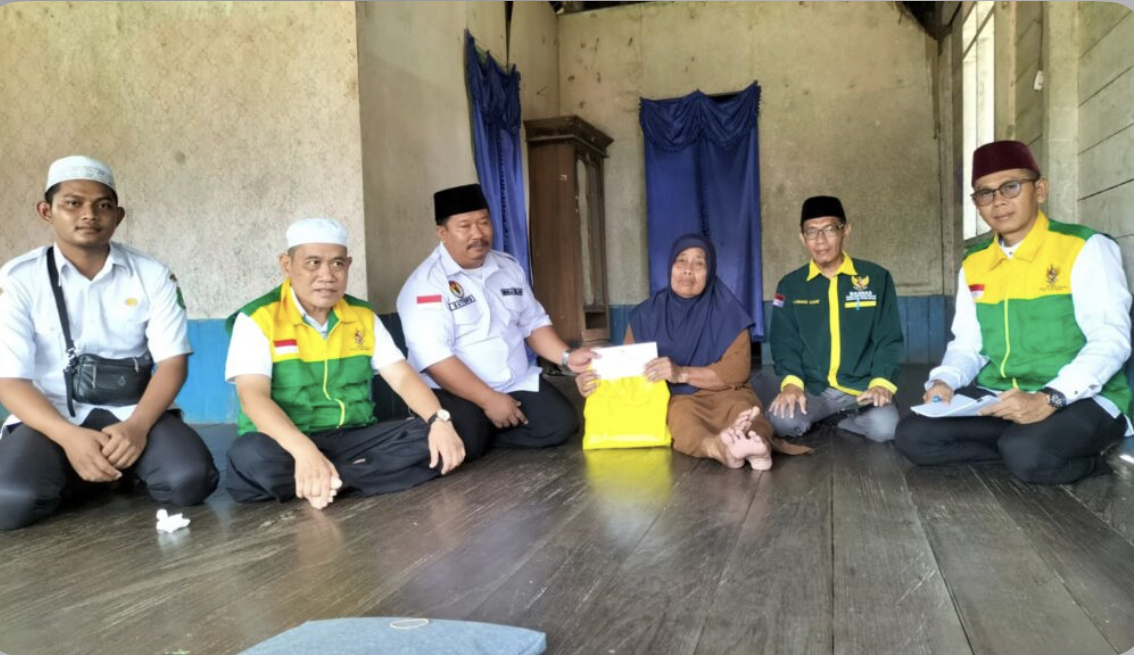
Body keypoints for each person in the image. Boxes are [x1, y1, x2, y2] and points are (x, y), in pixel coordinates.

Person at [0, 156, 218, 530]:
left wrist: (137, 427)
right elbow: (10, 380)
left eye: (103, 205)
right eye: (73, 203)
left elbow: (173, 363)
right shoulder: (18, 280)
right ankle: (84, 470)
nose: (89, 214)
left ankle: (105, 466)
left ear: (118, 216)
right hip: (51, 415)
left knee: (189, 480)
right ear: (46, 211)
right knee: (11, 500)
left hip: (133, 410)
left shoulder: (151, 274)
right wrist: (68, 437)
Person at [895, 141, 1132, 484]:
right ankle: (1021, 447)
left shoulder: (1084, 247)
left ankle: (1099, 460)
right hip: (1003, 398)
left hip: (1081, 398)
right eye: (985, 193)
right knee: (913, 436)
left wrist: (1050, 398)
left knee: (1028, 453)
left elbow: (1110, 340)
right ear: (977, 204)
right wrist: (944, 380)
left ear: (1040, 190)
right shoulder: (975, 263)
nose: (998, 201)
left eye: (1011, 186)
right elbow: (968, 343)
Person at [225, 218, 464, 510]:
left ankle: (330, 480)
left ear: (348, 265)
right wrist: (304, 451)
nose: (327, 275)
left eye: (337, 264)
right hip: (285, 441)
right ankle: (351, 474)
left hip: (351, 436)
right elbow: (253, 398)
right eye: (313, 263)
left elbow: (401, 377)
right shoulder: (257, 318)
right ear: (286, 264)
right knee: (251, 455)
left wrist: (438, 420)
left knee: (439, 433)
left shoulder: (361, 315)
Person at [396, 183, 595, 460]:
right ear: (442, 233)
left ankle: (486, 428)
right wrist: (489, 400)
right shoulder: (426, 284)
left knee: (559, 424)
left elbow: (532, 323)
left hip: (512, 383)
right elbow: (435, 359)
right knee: (466, 439)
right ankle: (475, 426)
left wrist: (567, 357)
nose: (478, 233)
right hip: (451, 389)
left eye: (484, 222)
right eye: (465, 226)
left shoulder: (507, 267)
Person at [576, 235, 810, 469]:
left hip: (728, 392)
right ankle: (719, 449)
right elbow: (628, 370)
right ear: (670, 267)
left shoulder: (728, 312)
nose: (688, 269)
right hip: (679, 399)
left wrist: (681, 373)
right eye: (681, 261)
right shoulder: (646, 315)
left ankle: (757, 446)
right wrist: (594, 379)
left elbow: (737, 370)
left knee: (747, 412)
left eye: (699, 263)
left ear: (710, 271)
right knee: (683, 422)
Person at [767, 195, 904, 442]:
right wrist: (792, 384)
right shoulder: (790, 285)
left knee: (887, 430)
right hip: (813, 389)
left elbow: (888, 338)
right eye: (811, 231)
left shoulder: (876, 277)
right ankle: (832, 415)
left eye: (830, 229)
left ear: (845, 230)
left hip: (862, 388)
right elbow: (783, 342)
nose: (820, 240)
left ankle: (840, 419)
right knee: (781, 422)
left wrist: (882, 382)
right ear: (802, 238)